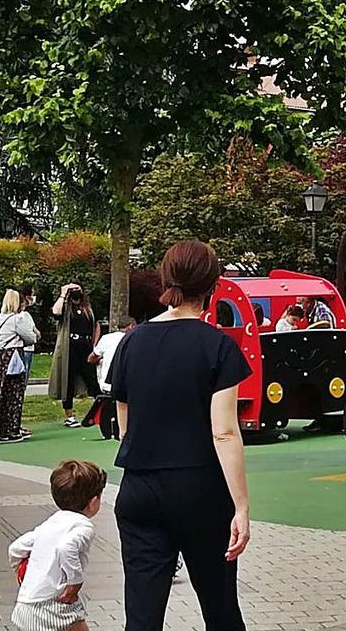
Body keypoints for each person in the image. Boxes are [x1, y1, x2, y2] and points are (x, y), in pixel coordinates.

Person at [111, 240, 251, 630]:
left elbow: (125, 422)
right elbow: (224, 432)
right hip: (200, 486)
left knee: (142, 614)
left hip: (140, 486)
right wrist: (240, 506)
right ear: (213, 284)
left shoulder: (131, 342)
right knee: (220, 607)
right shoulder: (218, 346)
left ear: (166, 279)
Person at [9, 460, 107, 631]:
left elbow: (16, 548)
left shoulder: (52, 522)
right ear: (93, 502)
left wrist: (21, 571)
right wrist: (74, 582)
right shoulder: (83, 525)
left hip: (25, 605)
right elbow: (66, 547)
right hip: (54, 606)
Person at [0, 289, 38, 444]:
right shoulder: (17, 319)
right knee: (14, 395)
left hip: (1, 359)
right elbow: (30, 337)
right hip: (14, 358)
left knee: (1, 394)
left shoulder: (0, 318)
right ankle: (11, 430)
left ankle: (2, 429)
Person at [49, 284, 101, 428]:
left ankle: (101, 412)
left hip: (86, 347)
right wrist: (63, 293)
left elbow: (96, 325)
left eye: (77, 289)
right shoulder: (66, 308)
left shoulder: (88, 308)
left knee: (93, 381)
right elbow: (56, 312)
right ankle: (69, 416)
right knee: (68, 381)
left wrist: (94, 345)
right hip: (69, 348)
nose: (75, 292)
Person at [89, 316, 136, 395]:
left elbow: (90, 359)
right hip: (129, 387)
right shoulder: (135, 339)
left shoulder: (106, 338)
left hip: (107, 386)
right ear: (131, 326)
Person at [19, 284, 40, 376]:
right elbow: (36, 333)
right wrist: (34, 337)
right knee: (24, 374)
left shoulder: (26, 315)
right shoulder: (23, 315)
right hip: (26, 349)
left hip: (28, 349)